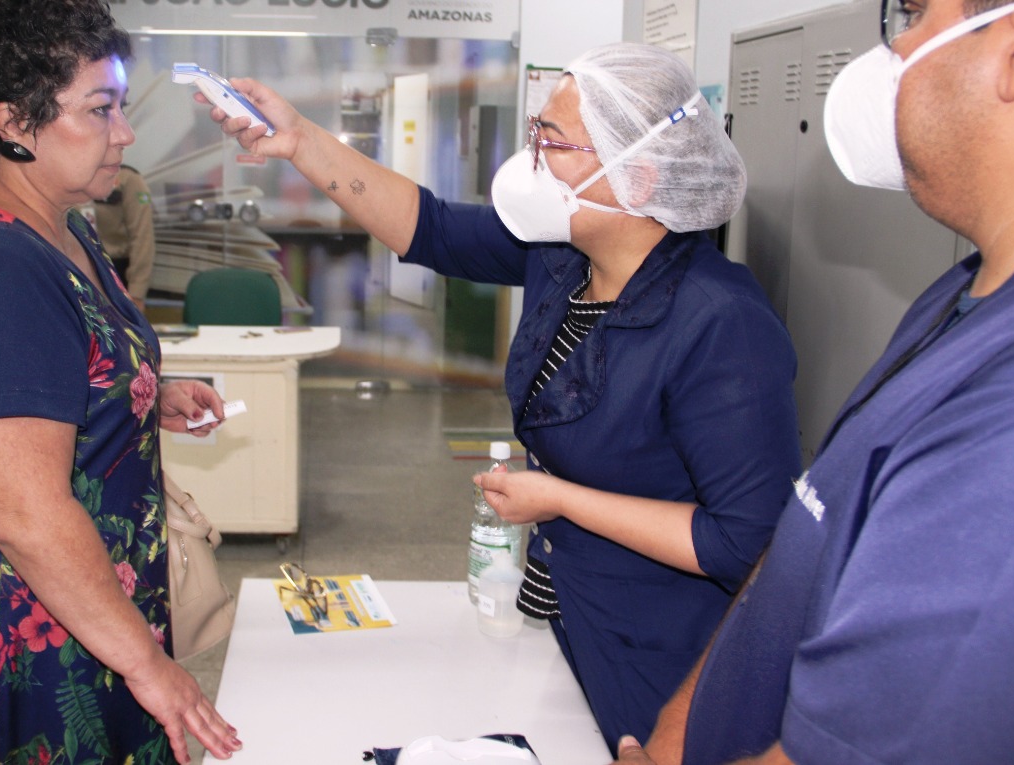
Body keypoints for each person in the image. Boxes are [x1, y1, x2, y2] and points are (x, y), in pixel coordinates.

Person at [201, 43, 800, 748]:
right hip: (561, 609)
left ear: (636, 179)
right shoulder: (562, 255)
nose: (532, 159)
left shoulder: (720, 323)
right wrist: (300, 140)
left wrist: (562, 498)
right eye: (534, 133)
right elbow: (430, 228)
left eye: (555, 140)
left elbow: (747, 540)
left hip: (659, 655)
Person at [610, 2, 1014, 764]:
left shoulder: (1005, 416)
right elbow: (806, 531)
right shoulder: (959, 295)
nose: (896, 45)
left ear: (1011, 58)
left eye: (917, 12)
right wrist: (683, 719)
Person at [0, 2, 242, 763]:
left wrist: (141, 396)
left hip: (81, 610)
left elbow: (57, 373)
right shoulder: (1, 265)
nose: (126, 131)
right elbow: (24, 509)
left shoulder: (63, 225)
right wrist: (147, 663)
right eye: (101, 109)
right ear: (15, 122)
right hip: (22, 642)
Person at [95, 165, 156, 311]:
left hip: (116, 274)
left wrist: (137, 292)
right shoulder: (70, 174)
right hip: (74, 270)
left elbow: (142, 237)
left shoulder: (128, 179)